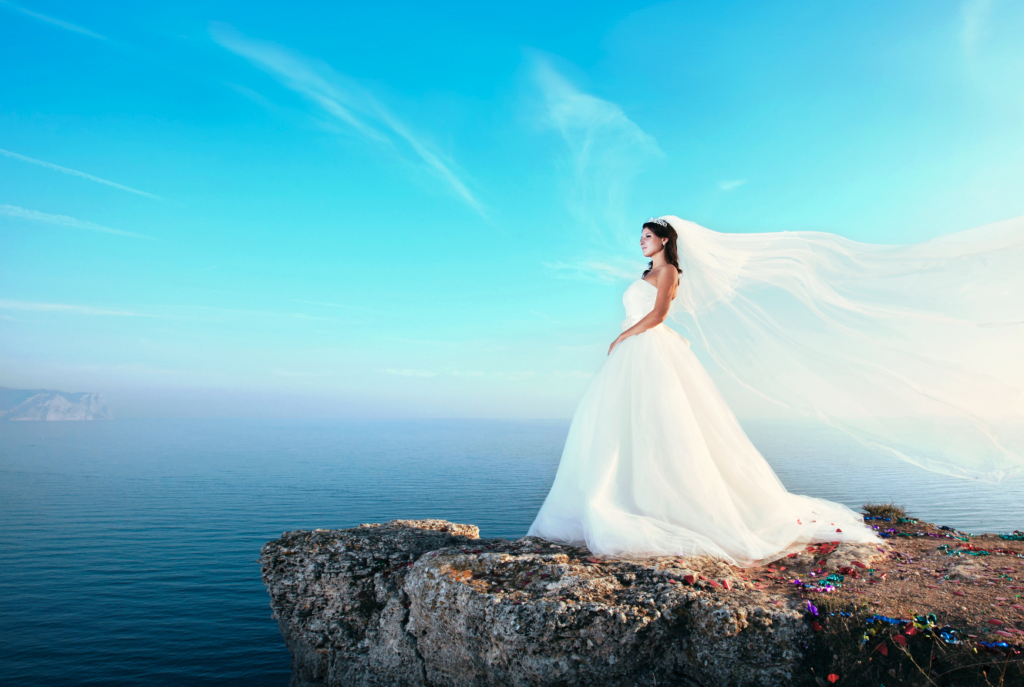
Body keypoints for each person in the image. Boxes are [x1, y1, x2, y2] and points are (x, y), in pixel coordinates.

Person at [527, 217, 879, 566]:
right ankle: (624, 499)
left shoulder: (669, 273)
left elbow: (660, 314)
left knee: (662, 424)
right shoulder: (645, 275)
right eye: (641, 237)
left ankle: (671, 507)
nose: (641, 241)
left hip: (648, 348)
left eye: (647, 236)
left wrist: (622, 335)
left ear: (665, 240)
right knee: (620, 426)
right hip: (634, 353)